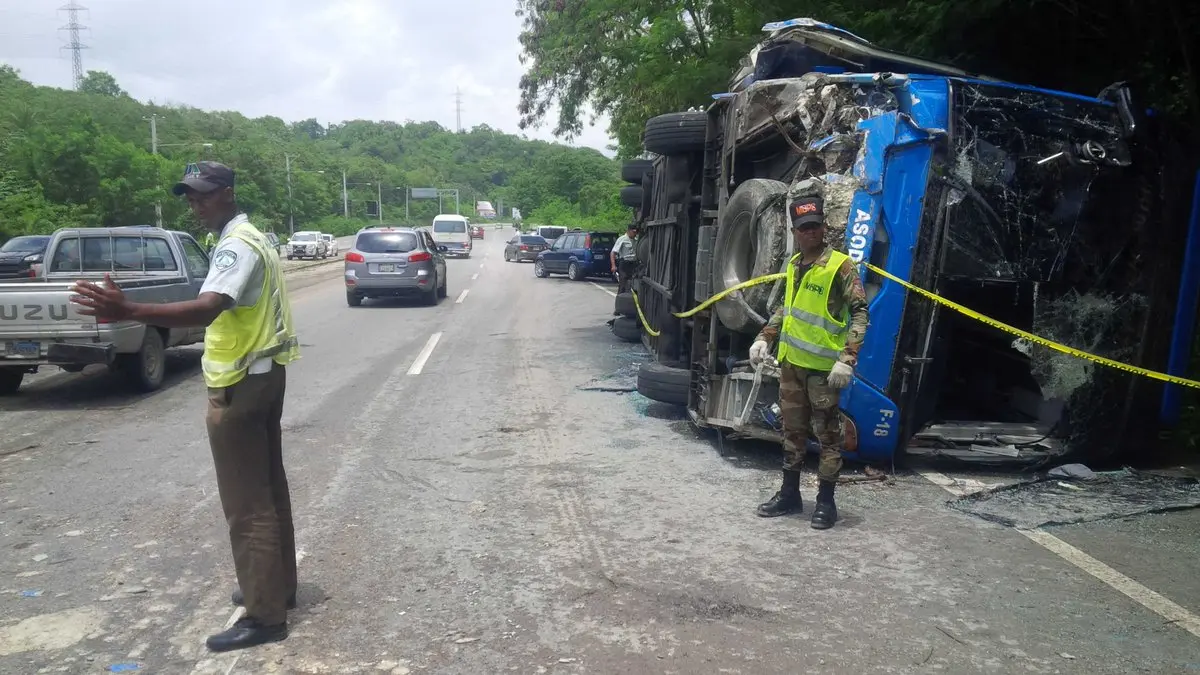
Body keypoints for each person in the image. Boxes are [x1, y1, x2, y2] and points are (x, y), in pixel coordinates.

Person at [69, 161, 301, 651]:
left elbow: (209, 306)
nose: (195, 204)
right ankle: (277, 588)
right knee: (269, 489)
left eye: (204, 195)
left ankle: (264, 616)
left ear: (229, 194)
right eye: (190, 196)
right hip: (265, 373)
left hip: (240, 382)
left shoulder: (236, 246)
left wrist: (128, 310)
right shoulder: (253, 237)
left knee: (247, 504)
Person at [747, 196, 869, 530]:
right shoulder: (794, 264)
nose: (810, 233)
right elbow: (786, 308)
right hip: (791, 366)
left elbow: (860, 313)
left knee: (828, 436)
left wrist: (847, 359)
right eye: (804, 229)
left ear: (824, 228)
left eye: (815, 227)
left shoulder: (840, 266)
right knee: (791, 432)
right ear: (794, 231)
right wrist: (765, 337)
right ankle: (789, 495)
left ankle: (826, 503)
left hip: (823, 370)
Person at [610, 225, 638, 293]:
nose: (635, 234)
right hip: (624, 264)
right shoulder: (622, 239)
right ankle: (620, 299)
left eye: (636, 232)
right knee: (623, 283)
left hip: (633, 264)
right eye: (633, 232)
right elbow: (613, 253)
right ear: (628, 231)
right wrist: (613, 265)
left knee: (633, 284)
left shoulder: (636, 240)